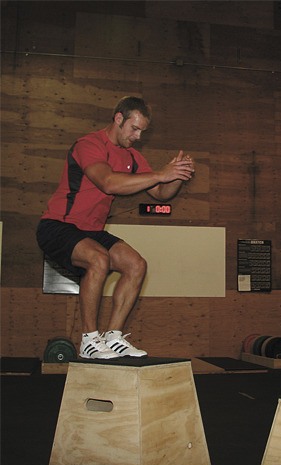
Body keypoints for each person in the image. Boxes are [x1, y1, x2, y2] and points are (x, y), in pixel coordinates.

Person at [37, 96, 195, 359]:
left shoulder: (133, 157)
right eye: (134, 128)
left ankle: (114, 337)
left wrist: (177, 175)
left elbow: (160, 193)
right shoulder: (89, 144)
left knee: (136, 264)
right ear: (118, 119)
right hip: (57, 225)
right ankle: (89, 340)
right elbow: (108, 183)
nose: (138, 136)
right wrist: (160, 173)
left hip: (91, 231)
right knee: (98, 259)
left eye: (142, 131)